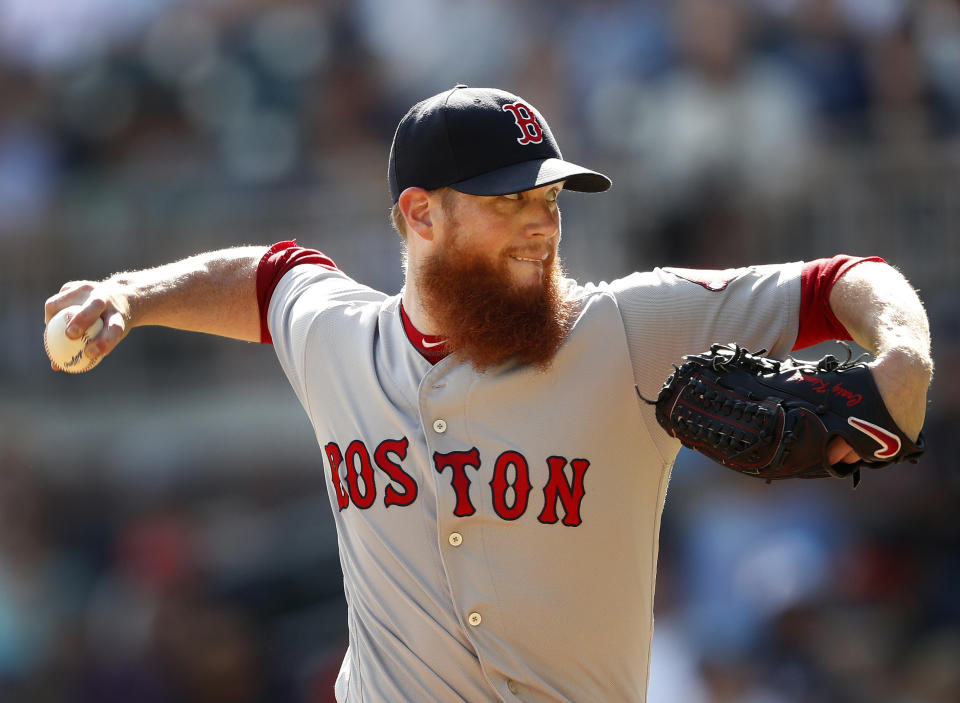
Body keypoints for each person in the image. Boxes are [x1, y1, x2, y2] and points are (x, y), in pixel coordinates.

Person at [45, 85, 932, 703]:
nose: (542, 220)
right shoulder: (340, 339)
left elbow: (843, 279)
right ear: (421, 214)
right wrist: (129, 294)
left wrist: (903, 357)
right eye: (508, 199)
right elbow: (265, 277)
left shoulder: (625, 328)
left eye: (549, 195)